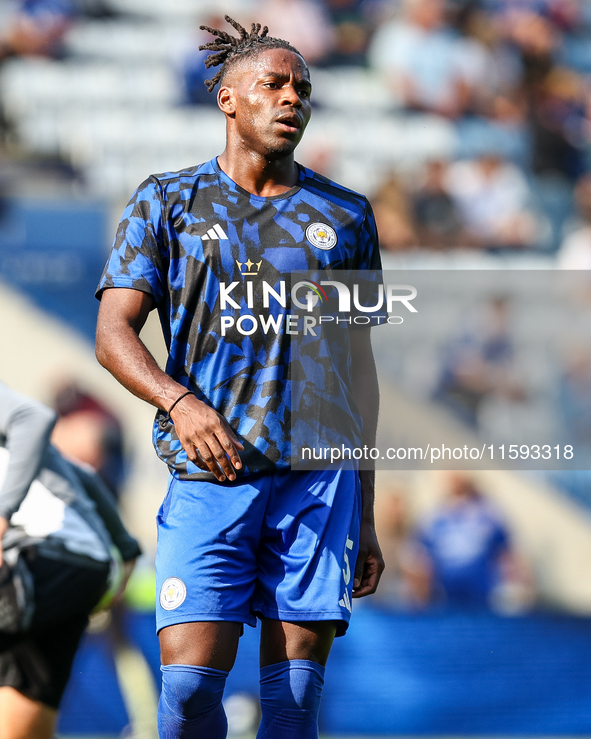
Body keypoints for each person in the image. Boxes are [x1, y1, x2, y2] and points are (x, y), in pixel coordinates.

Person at [95, 14, 384, 739]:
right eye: (273, 84)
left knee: (290, 706)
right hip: (209, 475)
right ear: (228, 99)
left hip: (319, 484)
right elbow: (112, 333)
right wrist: (178, 399)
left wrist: (369, 508)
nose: (292, 99)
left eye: (302, 89)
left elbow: (358, 368)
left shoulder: (345, 215)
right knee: (190, 692)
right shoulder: (166, 202)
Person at [0, 383, 141, 739]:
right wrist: (126, 552)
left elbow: (36, 416)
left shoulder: (21, 423)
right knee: (26, 712)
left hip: (44, 555)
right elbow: (85, 474)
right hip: (87, 570)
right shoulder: (40, 456)